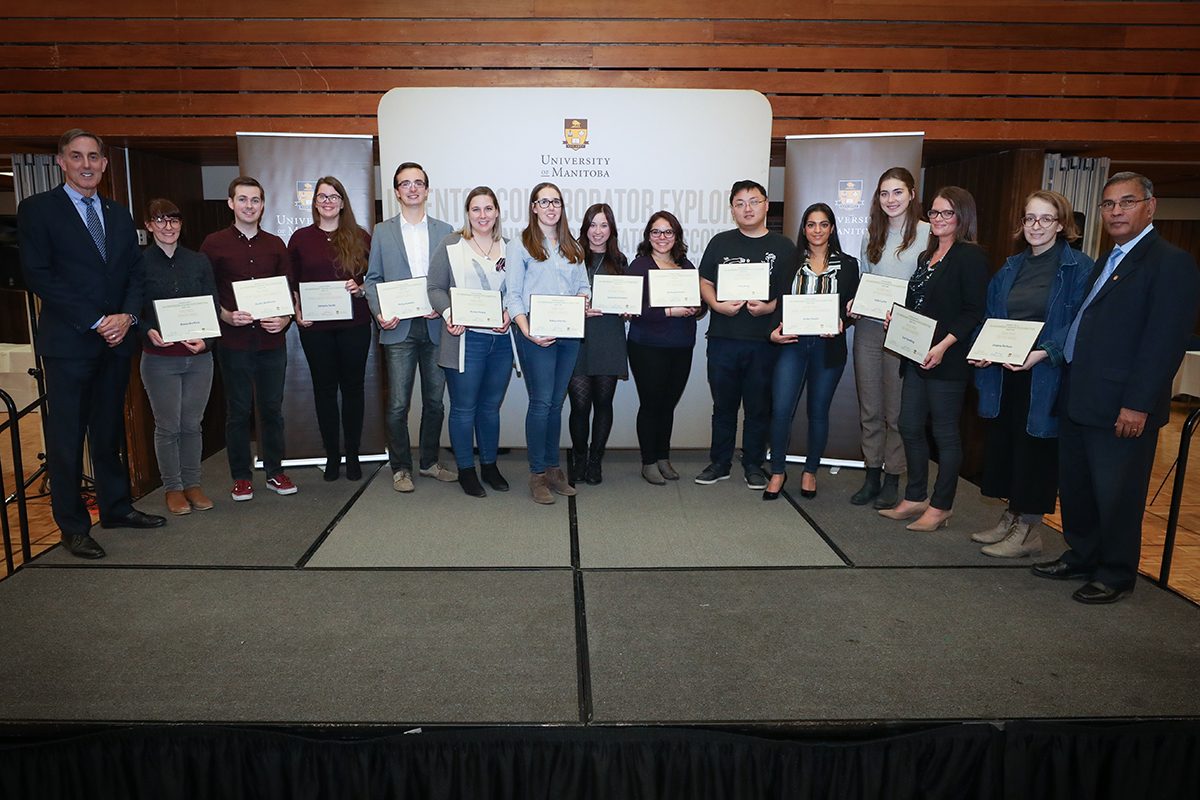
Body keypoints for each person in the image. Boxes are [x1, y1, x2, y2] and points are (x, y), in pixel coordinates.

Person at [1033, 172, 1199, 603]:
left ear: (1150, 206)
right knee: (1078, 486)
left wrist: (1138, 404)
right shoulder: (1108, 258)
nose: (1116, 211)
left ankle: (1116, 571)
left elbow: (1164, 342)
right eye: (1109, 204)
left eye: (1127, 202)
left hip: (1122, 406)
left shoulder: (1169, 262)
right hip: (1080, 396)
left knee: (1118, 493)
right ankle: (1083, 554)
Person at [18, 129, 166, 558]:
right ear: (61, 161)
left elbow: (135, 274)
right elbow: (40, 275)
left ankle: (116, 507)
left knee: (108, 431)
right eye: (77, 156)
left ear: (104, 163)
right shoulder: (39, 210)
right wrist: (97, 319)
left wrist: (128, 317)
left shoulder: (119, 214)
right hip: (70, 343)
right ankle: (73, 527)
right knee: (66, 438)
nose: (87, 164)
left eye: (94, 157)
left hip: (116, 341)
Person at [969, 191, 1093, 557]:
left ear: (1061, 224)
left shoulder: (1079, 268)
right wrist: (982, 350)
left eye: (1045, 219)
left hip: (1044, 374)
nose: (1036, 226)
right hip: (1007, 372)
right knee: (1010, 446)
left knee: (1037, 449)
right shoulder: (1010, 267)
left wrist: (1043, 353)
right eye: (1029, 218)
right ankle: (1012, 516)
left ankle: (1029, 529)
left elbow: (1076, 324)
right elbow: (990, 316)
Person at [878, 186, 987, 531]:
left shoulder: (971, 256)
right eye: (935, 213)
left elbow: (973, 312)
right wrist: (898, 317)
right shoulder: (927, 256)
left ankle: (941, 506)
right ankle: (915, 496)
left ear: (962, 217)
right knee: (909, 425)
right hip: (916, 357)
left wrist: (943, 347)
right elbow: (919, 305)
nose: (938, 220)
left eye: (947, 213)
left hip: (947, 361)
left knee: (945, 434)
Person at [202, 176, 298, 501]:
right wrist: (226, 315)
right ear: (231, 203)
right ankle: (241, 476)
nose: (249, 206)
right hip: (234, 342)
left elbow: (288, 291)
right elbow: (205, 293)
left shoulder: (275, 244)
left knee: (272, 409)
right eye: (242, 200)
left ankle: (275, 471)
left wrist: (285, 319)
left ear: (262, 205)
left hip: (272, 342)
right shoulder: (213, 244)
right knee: (238, 411)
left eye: (255, 200)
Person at [696, 179, 796, 489]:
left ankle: (753, 463)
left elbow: (793, 292)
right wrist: (715, 305)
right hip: (724, 338)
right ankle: (719, 462)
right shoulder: (720, 242)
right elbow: (704, 280)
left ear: (766, 205)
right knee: (723, 406)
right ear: (732, 209)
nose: (747, 208)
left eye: (754, 201)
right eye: (740, 203)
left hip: (764, 342)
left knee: (758, 407)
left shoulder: (783, 246)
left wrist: (770, 308)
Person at [364, 162, 457, 493]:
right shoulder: (382, 231)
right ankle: (401, 467)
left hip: (435, 328)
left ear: (428, 190)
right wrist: (379, 313)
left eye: (419, 183)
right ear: (396, 192)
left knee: (435, 402)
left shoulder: (447, 231)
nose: (413, 188)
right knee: (398, 404)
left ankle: (429, 462)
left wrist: (444, 308)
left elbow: (453, 280)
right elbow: (372, 280)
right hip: (398, 327)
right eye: (406, 184)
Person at [764, 203, 859, 500]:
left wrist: (845, 319)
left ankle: (810, 472)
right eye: (811, 224)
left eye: (823, 224)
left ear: (831, 228)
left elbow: (853, 307)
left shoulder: (849, 264)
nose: (817, 230)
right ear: (803, 229)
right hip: (792, 344)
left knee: (818, 412)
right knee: (781, 410)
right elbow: (774, 302)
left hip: (828, 347)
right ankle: (778, 471)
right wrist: (772, 332)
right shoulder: (787, 262)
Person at [506, 182, 592, 505]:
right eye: (544, 202)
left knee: (557, 403)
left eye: (556, 201)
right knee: (541, 402)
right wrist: (528, 332)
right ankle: (537, 474)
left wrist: (584, 299)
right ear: (533, 207)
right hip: (536, 334)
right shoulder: (521, 245)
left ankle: (555, 469)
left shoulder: (573, 247)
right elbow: (513, 294)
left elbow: (583, 285)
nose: (551, 207)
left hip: (569, 333)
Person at [427, 186, 514, 498]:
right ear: (468, 213)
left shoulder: (509, 246)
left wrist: (510, 313)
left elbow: (516, 291)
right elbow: (434, 287)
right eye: (476, 209)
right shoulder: (451, 244)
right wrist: (450, 313)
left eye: (488, 209)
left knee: (490, 408)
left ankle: (489, 465)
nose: (482, 215)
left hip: (501, 342)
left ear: (497, 213)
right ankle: (466, 469)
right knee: (464, 408)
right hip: (464, 340)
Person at [851, 167, 930, 508]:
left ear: (912, 194)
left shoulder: (929, 234)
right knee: (870, 406)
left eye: (898, 192)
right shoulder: (872, 235)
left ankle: (892, 477)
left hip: (905, 330)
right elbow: (865, 279)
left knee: (895, 411)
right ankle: (871, 474)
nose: (891, 200)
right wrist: (856, 300)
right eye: (884, 193)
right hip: (869, 326)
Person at [288, 176, 372, 482]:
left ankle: (352, 455)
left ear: (342, 202)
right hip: (315, 328)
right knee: (324, 391)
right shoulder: (300, 238)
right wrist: (297, 311)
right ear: (315, 203)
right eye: (322, 197)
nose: (327, 201)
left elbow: (372, 278)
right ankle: (332, 455)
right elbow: (292, 282)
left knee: (353, 389)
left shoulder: (360, 236)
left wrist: (360, 286)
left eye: (334, 196)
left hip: (354, 326)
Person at [139, 198, 220, 516]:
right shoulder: (140, 263)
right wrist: (146, 330)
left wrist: (208, 340)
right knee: (168, 426)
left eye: (173, 220)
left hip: (198, 357)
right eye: (160, 220)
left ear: (181, 224)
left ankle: (193, 484)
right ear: (148, 226)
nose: (168, 226)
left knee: (192, 424)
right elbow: (132, 306)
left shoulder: (198, 261)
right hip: (159, 358)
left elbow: (212, 303)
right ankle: (172, 487)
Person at [625, 211, 703, 485]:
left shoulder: (686, 265)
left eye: (668, 232)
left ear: (676, 236)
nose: (662, 237)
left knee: (668, 404)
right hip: (647, 346)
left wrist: (696, 307)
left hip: (681, 346)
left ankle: (663, 457)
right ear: (648, 236)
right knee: (651, 404)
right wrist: (670, 311)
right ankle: (648, 462)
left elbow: (699, 304)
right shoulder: (639, 266)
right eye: (656, 232)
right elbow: (634, 308)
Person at [568, 203, 628, 485]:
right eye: (593, 225)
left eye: (604, 225)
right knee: (580, 405)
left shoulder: (621, 261)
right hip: (577, 337)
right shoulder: (570, 257)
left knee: (604, 403)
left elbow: (628, 299)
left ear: (611, 229)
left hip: (609, 337)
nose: (598, 231)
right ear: (585, 228)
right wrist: (576, 307)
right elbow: (557, 297)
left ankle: (595, 461)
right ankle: (579, 457)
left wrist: (628, 308)